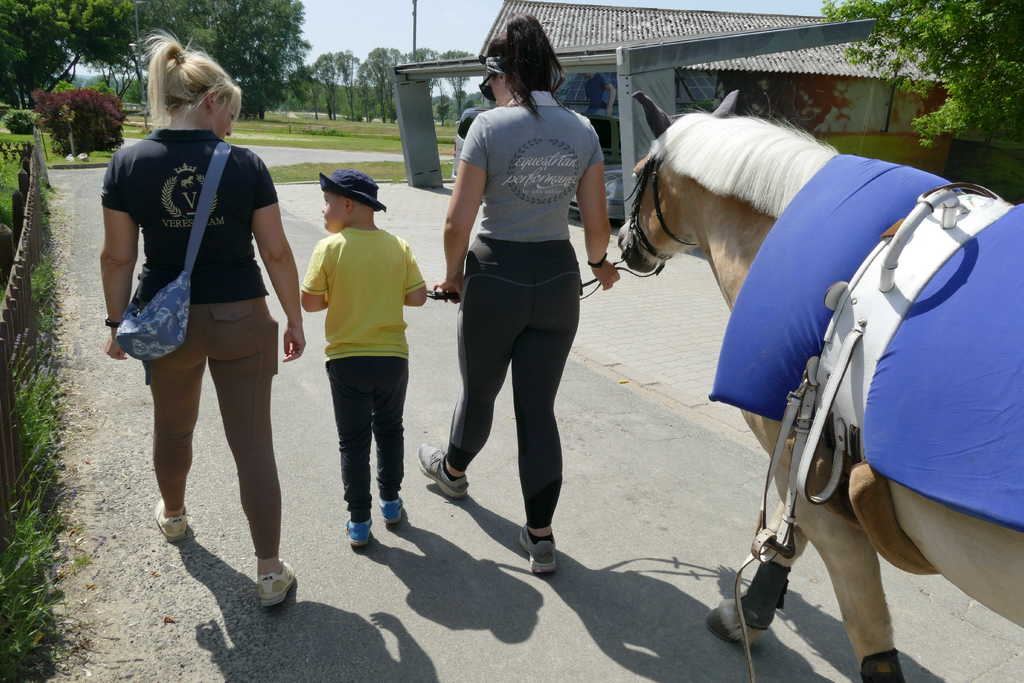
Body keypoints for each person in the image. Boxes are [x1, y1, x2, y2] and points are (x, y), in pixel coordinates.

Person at [100, 33, 304, 607]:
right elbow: (277, 252)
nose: (230, 129)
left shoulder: (128, 162)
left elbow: (117, 257)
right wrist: (294, 317)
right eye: (229, 114)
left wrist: (115, 323)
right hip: (241, 316)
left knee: (173, 426)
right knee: (253, 442)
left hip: (166, 321)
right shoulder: (244, 164)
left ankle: (173, 515)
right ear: (210, 100)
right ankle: (269, 571)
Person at [418, 13, 620, 574]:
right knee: (537, 411)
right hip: (557, 278)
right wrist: (599, 264)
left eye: (490, 80)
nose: (489, 89)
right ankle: (541, 537)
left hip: (496, 273)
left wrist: (452, 275)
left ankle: (452, 472)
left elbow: (457, 221)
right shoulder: (583, 130)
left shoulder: (487, 127)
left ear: (504, 72)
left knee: (480, 393)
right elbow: (596, 226)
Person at [300, 170, 427, 548]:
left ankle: (358, 520)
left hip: (347, 360)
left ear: (348, 204)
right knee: (390, 430)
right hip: (392, 359)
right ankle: (391, 502)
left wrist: (337, 296)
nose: (323, 209)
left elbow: (310, 303)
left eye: (327, 202)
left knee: (352, 441)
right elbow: (418, 297)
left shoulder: (329, 248)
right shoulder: (398, 246)